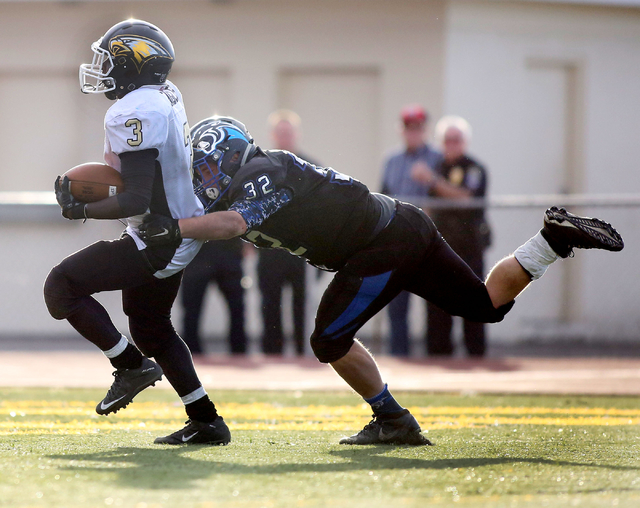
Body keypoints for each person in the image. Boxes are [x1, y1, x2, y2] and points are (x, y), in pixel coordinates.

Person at [138, 115, 624, 446]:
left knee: (328, 337)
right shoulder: (261, 169)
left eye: (206, 165)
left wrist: (173, 227)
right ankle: (551, 240)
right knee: (485, 304)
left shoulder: (262, 171)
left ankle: (392, 419)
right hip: (400, 226)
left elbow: (234, 225)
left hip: (381, 242)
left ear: (230, 154)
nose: (203, 177)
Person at [43, 20, 230, 446]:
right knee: (150, 327)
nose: (101, 68)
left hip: (159, 237)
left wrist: (82, 208)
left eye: (108, 60)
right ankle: (206, 420)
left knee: (61, 286)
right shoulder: (164, 94)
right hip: (177, 231)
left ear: (133, 63)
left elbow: (136, 200)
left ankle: (130, 366)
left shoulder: (133, 110)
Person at [412, 115, 491, 356]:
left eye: (456, 139)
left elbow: (467, 197)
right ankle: (438, 359)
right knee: (437, 306)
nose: (452, 144)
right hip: (439, 250)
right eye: (447, 140)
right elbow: (426, 205)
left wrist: (433, 182)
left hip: (469, 248)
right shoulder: (436, 166)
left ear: (465, 141)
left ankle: (476, 358)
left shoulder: (474, 168)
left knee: (473, 304)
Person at [380, 104, 443, 356]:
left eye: (418, 128)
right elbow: (382, 195)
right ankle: (400, 359)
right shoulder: (392, 160)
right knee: (396, 305)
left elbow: (447, 199)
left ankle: (437, 359)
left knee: (436, 304)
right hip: (399, 241)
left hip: (429, 241)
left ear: (425, 129)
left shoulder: (438, 158)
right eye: (409, 128)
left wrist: (431, 179)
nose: (413, 133)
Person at [257, 110, 317, 355]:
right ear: (273, 135)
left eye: (288, 132)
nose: (285, 137)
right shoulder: (260, 166)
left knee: (301, 306)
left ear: (297, 135)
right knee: (270, 304)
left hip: (301, 251)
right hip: (270, 249)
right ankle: (273, 355)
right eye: (280, 133)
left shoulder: (311, 168)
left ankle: (303, 354)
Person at [180, 238, 247, 355]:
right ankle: (191, 353)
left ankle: (239, 352)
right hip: (204, 250)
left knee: (237, 307)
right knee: (191, 310)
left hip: (210, 249)